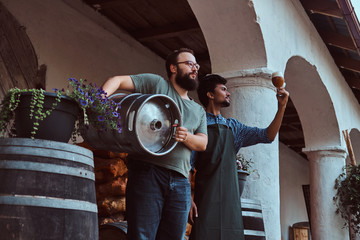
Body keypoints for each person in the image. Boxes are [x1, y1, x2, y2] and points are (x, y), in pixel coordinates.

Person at [101, 48, 208, 240]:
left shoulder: (198, 110)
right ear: (173, 68)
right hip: (147, 172)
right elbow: (116, 80)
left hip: (181, 181)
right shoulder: (158, 84)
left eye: (196, 65)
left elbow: (202, 144)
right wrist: (98, 100)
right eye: (189, 64)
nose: (195, 69)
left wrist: (186, 137)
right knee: (142, 236)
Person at [188, 74, 289, 240]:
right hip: (205, 200)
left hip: (230, 201)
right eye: (223, 89)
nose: (228, 93)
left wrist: (282, 108)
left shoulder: (234, 127)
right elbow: (189, 166)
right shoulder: (199, 125)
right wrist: (189, 199)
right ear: (210, 95)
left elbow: (267, 135)